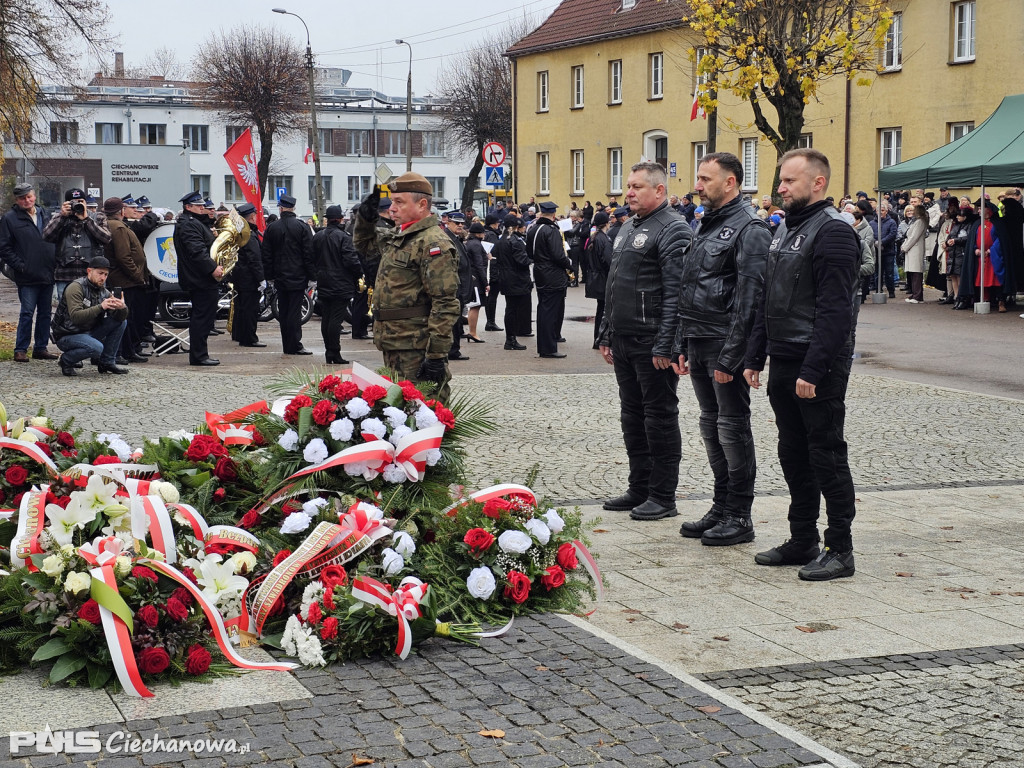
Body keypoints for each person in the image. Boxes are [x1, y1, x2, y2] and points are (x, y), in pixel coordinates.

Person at [742, 148, 861, 581]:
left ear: (818, 183)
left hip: (817, 364)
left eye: (790, 181)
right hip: (785, 357)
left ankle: (840, 549)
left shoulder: (832, 233)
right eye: (781, 181)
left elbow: (836, 312)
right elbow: (767, 300)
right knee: (793, 452)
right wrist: (756, 355)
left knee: (826, 453)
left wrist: (814, 370)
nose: (780, 188)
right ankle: (802, 537)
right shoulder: (785, 230)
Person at [673, 152, 770, 546]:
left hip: (723, 345)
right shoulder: (707, 226)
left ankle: (739, 515)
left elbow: (752, 299)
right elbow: (690, 287)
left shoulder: (751, 229)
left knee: (731, 427)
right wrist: (682, 341)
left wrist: (732, 356)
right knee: (711, 426)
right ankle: (721, 504)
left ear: (730, 182)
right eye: (698, 177)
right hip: (699, 341)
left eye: (705, 178)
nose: (697, 185)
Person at [598, 162, 692, 521]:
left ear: (659, 191)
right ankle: (639, 487)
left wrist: (667, 344)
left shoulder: (673, 229)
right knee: (632, 417)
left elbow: (676, 294)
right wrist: (606, 332)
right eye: (628, 186)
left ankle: (662, 494)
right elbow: (613, 285)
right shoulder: (626, 227)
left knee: (659, 418)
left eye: (637, 187)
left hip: (652, 340)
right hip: (623, 337)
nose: (629, 193)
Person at [352, 174, 460, 401]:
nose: (391, 209)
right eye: (392, 202)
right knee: (398, 416)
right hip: (395, 341)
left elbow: (445, 303)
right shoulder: (401, 236)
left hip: (416, 346)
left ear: (422, 205)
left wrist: (437, 355)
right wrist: (365, 217)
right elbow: (364, 244)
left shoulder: (432, 242)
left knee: (423, 413)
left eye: (399, 202)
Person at [0, 183, 59, 363]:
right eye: (22, 198)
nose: (27, 200)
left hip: (48, 272)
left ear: (34, 196)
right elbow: (4, 247)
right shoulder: (9, 219)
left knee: (45, 313)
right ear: (17, 200)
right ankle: (21, 349)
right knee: (26, 312)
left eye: (29, 196)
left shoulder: (46, 214)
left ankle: (41, 348)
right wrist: (20, 266)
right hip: (26, 275)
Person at [51, 256, 129, 376]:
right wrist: (101, 307)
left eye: (106, 275)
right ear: (89, 271)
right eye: (100, 273)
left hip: (88, 331)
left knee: (121, 322)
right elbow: (76, 317)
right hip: (67, 334)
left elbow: (119, 318)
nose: (103, 278)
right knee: (97, 348)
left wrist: (122, 308)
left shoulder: (104, 291)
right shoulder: (76, 287)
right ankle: (66, 360)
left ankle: (107, 362)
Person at [172, 190, 223, 366]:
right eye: (199, 205)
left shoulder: (193, 223)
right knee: (202, 318)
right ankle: (199, 355)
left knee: (204, 317)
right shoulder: (188, 224)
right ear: (188, 207)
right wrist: (213, 269)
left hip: (200, 277)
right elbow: (197, 252)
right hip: (200, 278)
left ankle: (200, 354)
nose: (203, 207)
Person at [262, 194, 315, 355]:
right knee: (294, 312)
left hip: (279, 276)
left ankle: (287, 344)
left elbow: (266, 254)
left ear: (281, 208)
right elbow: (309, 254)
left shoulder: (272, 227)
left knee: (284, 312)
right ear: (293, 208)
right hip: (298, 276)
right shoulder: (302, 227)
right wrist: (312, 276)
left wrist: (269, 275)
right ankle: (295, 344)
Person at [102, 197, 149, 364]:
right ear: (121, 211)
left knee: (125, 316)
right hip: (124, 280)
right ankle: (123, 352)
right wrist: (137, 275)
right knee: (125, 317)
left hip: (121, 279)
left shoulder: (112, 224)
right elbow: (123, 256)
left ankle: (127, 350)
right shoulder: (118, 227)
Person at [312, 204, 362, 364]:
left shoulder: (318, 236)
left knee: (327, 318)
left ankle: (329, 352)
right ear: (340, 219)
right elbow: (350, 260)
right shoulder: (343, 237)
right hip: (340, 283)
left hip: (323, 281)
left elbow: (312, 257)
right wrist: (359, 273)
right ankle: (334, 352)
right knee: (335, 320)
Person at [43, 188, 111, 299]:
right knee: (66, 313)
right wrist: (62, 217)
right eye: (73, 202)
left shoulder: (97, 217)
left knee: (95, 310)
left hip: (92, 275)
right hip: (65, 275)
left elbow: (106, 239)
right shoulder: (59, 218)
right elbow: (47, 236)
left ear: (85, 202)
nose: (78, 205)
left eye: (81, 201)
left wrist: (87, 219)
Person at [526, 201, 571, 358]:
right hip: (553, 274)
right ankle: (549, 348)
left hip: (539, 272)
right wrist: (569, 264)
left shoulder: (533, 229)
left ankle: (545, 346)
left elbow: (529, 254)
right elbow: (558, 255)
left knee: (544, 310)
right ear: (553, 215)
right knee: (551, 312)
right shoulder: (551, 230)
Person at [351, 198, 392, 340]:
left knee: (363, 301)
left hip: (365, 267)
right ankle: (376, 331)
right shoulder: (382, 227)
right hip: (376, 270)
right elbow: (378, 254)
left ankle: (361, 330)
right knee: (375, 303)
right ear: (388, 210)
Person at [230, 202, 266, 348]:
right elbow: (254, 260)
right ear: (252, 216)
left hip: (240, 276)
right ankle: (249, 338)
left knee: (241, 308)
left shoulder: (238, 232)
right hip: (249, 279)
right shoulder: (248, 235)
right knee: (250, 309)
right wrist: (261, 279)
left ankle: (239, 335)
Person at [494, 215, 531, 350]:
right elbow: (523, 260)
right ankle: (511, 339)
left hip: (505, 277)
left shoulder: (501, 240)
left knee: (510, 309)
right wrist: (532, 259)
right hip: (516, 278)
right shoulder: (514, 241)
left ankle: (510, 338)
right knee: (514, 310)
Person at [444, 211, 472, 361]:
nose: (460, 225)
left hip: (459, 286)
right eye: (457, 223)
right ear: (448, 223)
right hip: (454, 287)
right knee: (453, 321)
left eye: (462, 223)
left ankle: (454, 349)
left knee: (456, 321)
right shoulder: (447, 239)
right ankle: (452, 350)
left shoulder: (456, 238)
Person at [583, 211, 612, 350]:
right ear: (606, 223)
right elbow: (608, 261)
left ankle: (598, 338)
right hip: (602, 279)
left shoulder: (593, 238)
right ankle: (600, 339)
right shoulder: (604, 239)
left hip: (595, 278)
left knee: (600, 310)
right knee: (604, 310)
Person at [464, 222, 489, 343]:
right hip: (476, 279)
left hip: (470, 277)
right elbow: (479, 265)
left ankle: (472, 332)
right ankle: (472, 332)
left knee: (473, 305)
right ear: (479, 233)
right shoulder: (476, 245)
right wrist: (486, 282)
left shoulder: (469, 243)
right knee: (475, 306)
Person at [867, 201, 898, 299]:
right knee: (877, 272)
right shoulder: (871, 223)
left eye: (882, 210)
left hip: (888, 251)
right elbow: (870, 234)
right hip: (876, 251)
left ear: (886, 211)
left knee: (889, 273)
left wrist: (882, 242)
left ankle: (891, 291)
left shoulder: (891, 222)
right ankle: (878, 289)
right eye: (878, 210)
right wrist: (876, 242)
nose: (880, 212)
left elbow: (892, 234)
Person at [901, 204, 927, 303]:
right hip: (912, 248)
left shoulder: (920, 222)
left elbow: (914, 237)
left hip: (915, 248)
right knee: (913, 272)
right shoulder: (918, 221)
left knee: (916, 272)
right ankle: (916, 294)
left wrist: (905, 247)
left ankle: (917, 295)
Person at [482, 214, 503, 332]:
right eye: (497, 222)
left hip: (490, 269)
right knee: (492, 296)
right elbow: (494, 252)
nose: (498, 224)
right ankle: (491, 321)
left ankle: (491, 321)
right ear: (493, 224)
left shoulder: (487, 233)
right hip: (493, 269)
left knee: (491, 296)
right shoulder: (492, 235)